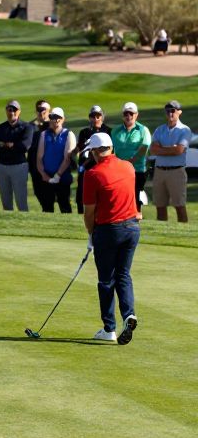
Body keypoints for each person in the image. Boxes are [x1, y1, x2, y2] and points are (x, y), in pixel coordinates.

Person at [81, 132, 140, 345]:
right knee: (123, 275)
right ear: (111, 148)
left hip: (109, 230)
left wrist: (90, 235)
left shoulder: (93, 174)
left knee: (106, 281)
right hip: (132, 228)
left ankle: (109, 329)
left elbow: (89, 212)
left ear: (96, 151)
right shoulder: (128, 167)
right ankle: (129, 315)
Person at [148, 100, 192, 223]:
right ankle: (163, 231)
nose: (170, 113)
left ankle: (183, 233)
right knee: (160, 206)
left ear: (179, 112)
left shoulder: (185, 130)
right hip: (160, 171)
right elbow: (152, 149)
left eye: (173, 110)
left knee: (179, 206)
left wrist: (161, 149)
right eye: (168, 111)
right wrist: (170, 148)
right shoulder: (160, 129)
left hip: (176, 172)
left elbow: (179, 150)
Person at [0, 100, 34, 212]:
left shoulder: (26, 127)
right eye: (9, 110)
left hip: (19, 167)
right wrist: (12, 145)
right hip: (2, 167)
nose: (12, 112)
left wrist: (5, 144)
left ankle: (24, 224)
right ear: (6, 111)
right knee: (6, 202)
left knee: (21, 201)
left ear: (19, 111)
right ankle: (9, 224)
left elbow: (25, 146)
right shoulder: (1, 128)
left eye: (14, 110)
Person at [111, 102, 151, 210]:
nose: (128, 116)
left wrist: (131, 161)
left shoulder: (143, 130)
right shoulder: (115, 131)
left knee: (135, 198)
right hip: (119, 170)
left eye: (131, 114)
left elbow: (144, 147)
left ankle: (135, 222)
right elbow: (110, 149)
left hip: (136, 170)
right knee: (120, 197)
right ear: (122, 115)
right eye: (126, 114)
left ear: (136, 115)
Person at [36, 107, 76, 213]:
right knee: (47, 207)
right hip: (47, 177)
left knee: (64, 205)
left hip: (63, 177)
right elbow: (39, 158)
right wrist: (44, 175)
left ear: (63, 119)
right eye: (53, 117)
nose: (56, 120)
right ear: (50, 119)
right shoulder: (44, 134)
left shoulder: (69, 134)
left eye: (59, 118)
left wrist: (57, 175)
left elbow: (67, 158)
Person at [75, 105, 111, 214]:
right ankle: (82, 214)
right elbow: (82, 150)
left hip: (103, 168)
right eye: (92, 116)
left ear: (102, 117)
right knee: (81, 194)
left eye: (98, 115)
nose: (95, 118)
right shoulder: (84, 132)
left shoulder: (108, 131)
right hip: (87, 168)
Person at [28, 100, 51, 209]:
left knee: (51, 192)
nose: (41, 112)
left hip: (50, 165)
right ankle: (46, 208)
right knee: (38, 191)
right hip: (34, 166)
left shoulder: (53, 124)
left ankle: (49, 209)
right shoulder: (30, 126)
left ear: (48, 111)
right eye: (39, 109)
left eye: (44, 110)